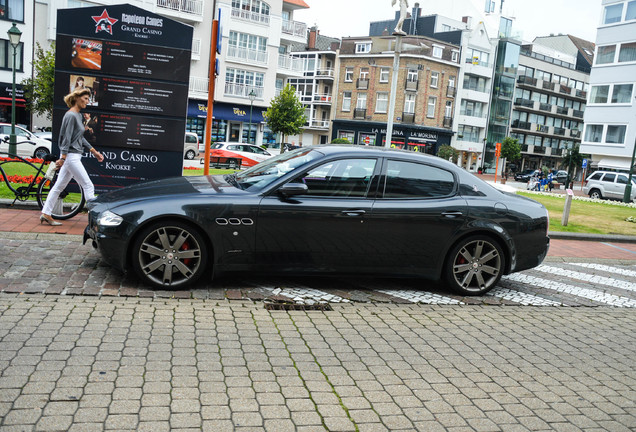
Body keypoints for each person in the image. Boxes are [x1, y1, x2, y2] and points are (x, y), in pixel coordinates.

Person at [40, 88, 104, 226]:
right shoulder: (70, 115)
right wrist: (63, 158)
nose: (87, 101)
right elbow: (66, 138)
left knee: (58, 186)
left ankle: (46, 212)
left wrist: (94, 151)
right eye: (85, 98)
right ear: (77, 99)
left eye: (88, 99)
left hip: (73, 156)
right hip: (71, 157)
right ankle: (95, 219)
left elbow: (79, 137)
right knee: (88, 185)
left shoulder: (78, 115)